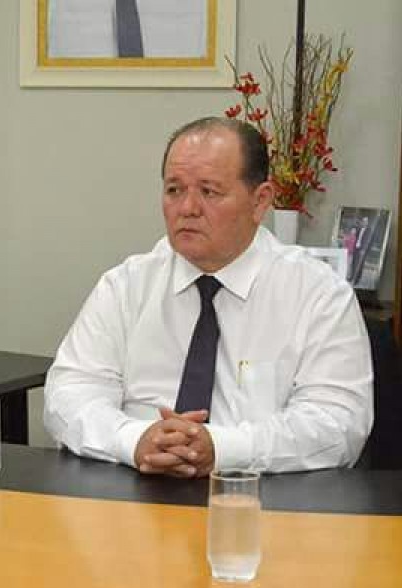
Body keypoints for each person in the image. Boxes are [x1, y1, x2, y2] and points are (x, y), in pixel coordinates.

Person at [43, 117, 373, 477]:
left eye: (209, 192)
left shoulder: (318, 294)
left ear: (260, 201)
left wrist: (222, 448)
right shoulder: (126, 285)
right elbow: (69, 394)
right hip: (133, 490)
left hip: (262, 503)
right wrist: (135, 439)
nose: (187, 208)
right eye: (174, 190)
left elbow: (338, 424)